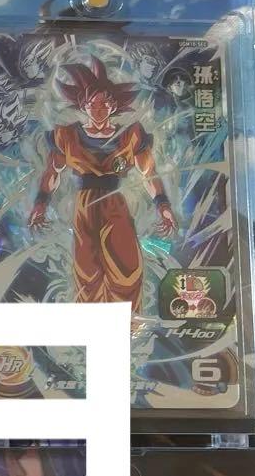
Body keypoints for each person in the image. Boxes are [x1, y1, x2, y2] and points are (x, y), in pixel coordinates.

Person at [29, 56, 176, 305]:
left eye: (104, 104)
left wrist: (163, 206)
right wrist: (40, 204)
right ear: (83, 105)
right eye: (92, 104)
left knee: (126, 268)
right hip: (84, 207)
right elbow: (52, 172)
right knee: (88, 272)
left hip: (114, 205)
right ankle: (94, 323)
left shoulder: (130, 135)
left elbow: (148, 173)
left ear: (113, 106)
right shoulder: (67, 136)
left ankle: (127, 320)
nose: (98, 109)